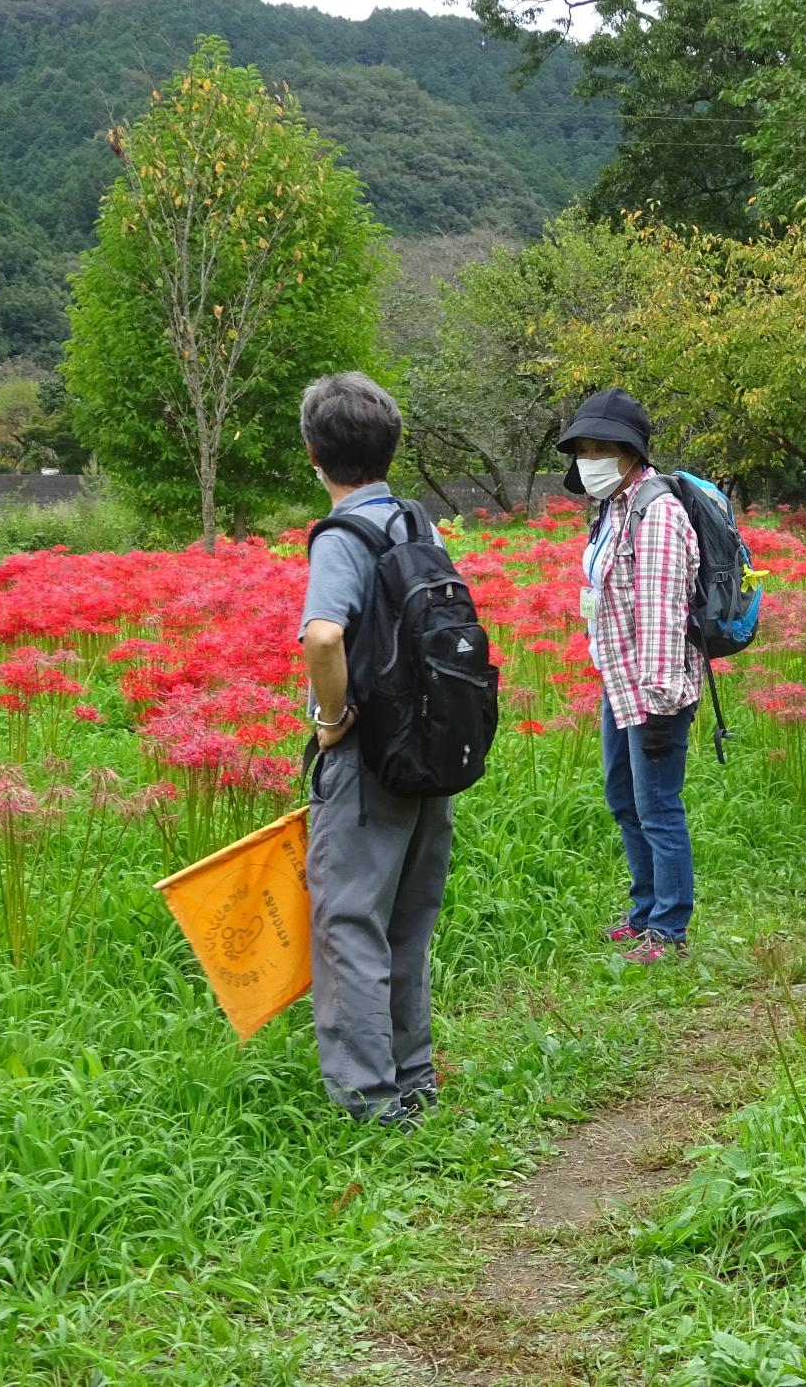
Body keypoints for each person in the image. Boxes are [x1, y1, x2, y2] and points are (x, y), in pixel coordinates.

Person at [298, 371, 452, 1128]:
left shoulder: (342, 535)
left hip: (369, 756)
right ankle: (413, 1076)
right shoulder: (420, 525)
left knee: (348, 920)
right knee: (407, 919)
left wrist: (333, 718)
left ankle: (369, 1101)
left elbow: (325, 635)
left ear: (314, 455)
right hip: (432, 747)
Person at [558, 388, 703, 964]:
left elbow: (663, 610)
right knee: (624, 799)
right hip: (617, 681)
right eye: (582, 449)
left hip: (653, 687)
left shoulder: (657, 511)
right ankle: (644, 910)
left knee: (658, 807)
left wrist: (661, 698)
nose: (587, 459)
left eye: (600, 448)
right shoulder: (613, 508)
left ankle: (669, 929)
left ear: (629, 452)